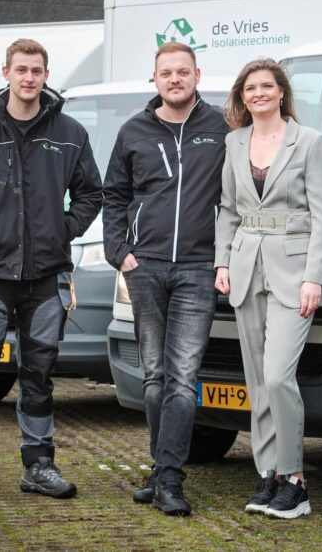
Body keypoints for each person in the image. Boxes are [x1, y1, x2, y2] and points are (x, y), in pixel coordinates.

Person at [0, 38, 102, 503]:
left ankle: (39, 466)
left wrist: (63, 230)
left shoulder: (69, 132)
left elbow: (91, 193)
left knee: (39, 372)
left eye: (37, 71)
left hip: (47, 276)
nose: (29, 78)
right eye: (21, 69)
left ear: (46, 76)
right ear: (6, 73)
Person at [102, 42, 228, 516]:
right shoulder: (133, 131)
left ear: (197, 75)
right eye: (166, 73)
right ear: (154, 79)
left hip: (198, 269)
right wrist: (119, 253)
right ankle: (160, 468)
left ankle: (171, 478)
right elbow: (114, 196)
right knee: (153, 376)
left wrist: (223, 258)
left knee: (182, 377)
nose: (175, 79)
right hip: (146, 267)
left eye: (182, 72)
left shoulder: (221, 128)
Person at [214, 58, 322, 520]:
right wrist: (223, 261)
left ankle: (295, 479)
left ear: (282, 92)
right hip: (246, 265)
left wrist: (314, 276)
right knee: (258, 380)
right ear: (242, 97)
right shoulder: (234, 141)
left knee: (280, 376)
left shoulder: (310, 141)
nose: (259, 93)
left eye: (267, 86)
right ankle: (268, 473)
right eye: (250, 88)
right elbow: (228, 208)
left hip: (294, 270)